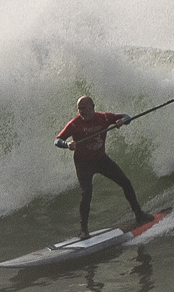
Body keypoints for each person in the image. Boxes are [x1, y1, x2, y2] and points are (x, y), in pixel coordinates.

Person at [56, 95, 147, 238]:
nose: (82, 112)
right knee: (86, 194)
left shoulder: (103, 118)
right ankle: (83, 230)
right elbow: (57, 140)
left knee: (125, 182)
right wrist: (67, 144)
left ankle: (139, 215)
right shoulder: (74, 124)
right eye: (79, 110)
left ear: (93, 106)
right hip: (83, 163)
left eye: (84, 109)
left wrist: (122, 121)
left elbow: (127, 117)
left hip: (100, 159)